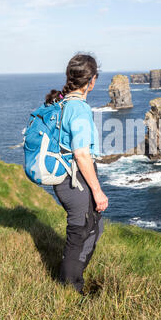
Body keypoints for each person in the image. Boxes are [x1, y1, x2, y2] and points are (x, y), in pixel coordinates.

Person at [45, 53, 108, 294]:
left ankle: (74, 280)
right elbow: (81, 154)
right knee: (79, 233)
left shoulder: (59, 103)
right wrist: (98, 191)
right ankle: (70, 291)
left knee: (93, 226)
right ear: (92, 81)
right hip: (75, 179)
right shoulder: (78, 109)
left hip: (65, 178)